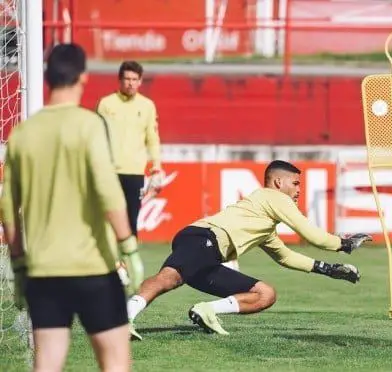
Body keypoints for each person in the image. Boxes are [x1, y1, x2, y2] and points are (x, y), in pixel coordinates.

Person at [0, 44, 145, 371]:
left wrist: (20, 266)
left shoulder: (22, 134)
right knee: (115, 361)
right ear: (83, 77)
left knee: (48, 361)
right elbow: (108, 191)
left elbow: (9, 208)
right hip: (91, 267)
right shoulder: (89, 125)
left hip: (43, 271)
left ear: (48, 78)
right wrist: (129, 248)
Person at [126, 160, 372, 340]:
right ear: (278, 182)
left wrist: (327, 270)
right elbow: (311, 235)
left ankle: (207, 310)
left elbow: (285, 257)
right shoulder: (274, 198)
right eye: (295, 183)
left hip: (211, 253)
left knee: (265, 294)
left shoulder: (264, 221)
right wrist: (344, 244)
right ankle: (122, 319)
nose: (299, 189)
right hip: (204, 237)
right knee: (170, 278)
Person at [96, 60, 164, 238]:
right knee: (107, 222)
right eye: (127, 79)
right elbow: (96, 138)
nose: (131, 83)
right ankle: (109, 264)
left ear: (140, 81)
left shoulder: (147, 106)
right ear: (120, 80)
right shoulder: (106, 104)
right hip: (109, 172)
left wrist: (156, 166)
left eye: (135, 79)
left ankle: (127, 264)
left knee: (131, 223)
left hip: (135, 173)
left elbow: (152, 138)